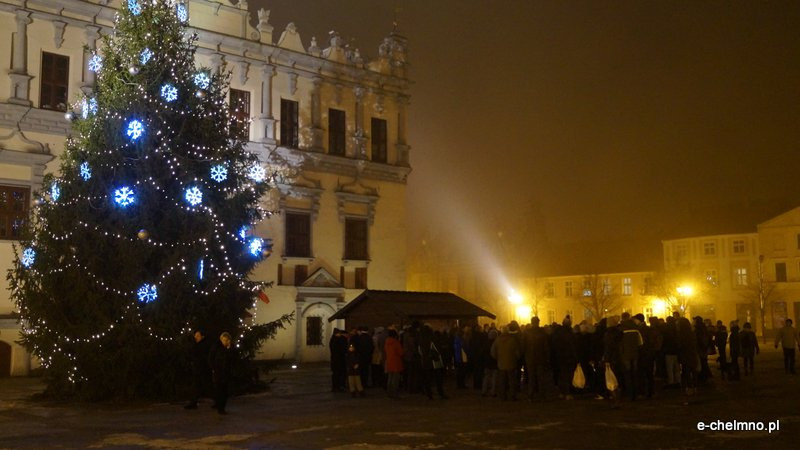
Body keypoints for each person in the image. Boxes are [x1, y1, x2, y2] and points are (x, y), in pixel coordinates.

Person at [491, 322, 522, 401]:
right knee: (512, 381)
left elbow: (493, 352)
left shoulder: (497, 340)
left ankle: (502, 396)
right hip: (511, 363)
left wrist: (498, 358)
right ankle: (512, 396)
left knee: (502, 381)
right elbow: (517, 352)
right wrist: (516, 358)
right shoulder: (512, 340)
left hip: (501, 364)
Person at [523, 317, 550, 401]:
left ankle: (531, 395)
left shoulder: (527, 333)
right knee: (540, 377)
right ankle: (542, 395)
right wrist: (547, 358)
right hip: (540, 358)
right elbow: (546, 348)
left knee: (531, 378)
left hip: (530, 358)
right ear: (538, 322)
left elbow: (523, 347)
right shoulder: (542, 333)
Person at [209, 331, 235, 414]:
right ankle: (220, 408)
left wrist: (229, 348)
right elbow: (211, 358)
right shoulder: (216, 347)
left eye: (227, 340)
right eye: (223, 340)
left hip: (226, 373)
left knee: (224, 391)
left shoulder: (230, 348)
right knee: (219, 390)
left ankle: (221, 406)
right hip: (218, 372)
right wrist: (213, 368)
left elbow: (233, 359)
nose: (225, 342)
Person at [185, 328, 211, 409]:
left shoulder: (203, 346)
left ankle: (219, 400)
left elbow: (203, 357)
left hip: (203, 369)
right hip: (198, 369)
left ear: (202, 337)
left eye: (198, 336)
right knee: (197, 386)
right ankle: (194, 402)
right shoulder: (196, 345)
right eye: (195, 335)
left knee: (208, 386)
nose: (196, 337)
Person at [384, 329, 404, 398]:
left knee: (390, 378)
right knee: (395, 379)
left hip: (389, 361)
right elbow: (401, 352)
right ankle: (394, 394)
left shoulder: (386, 342)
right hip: (396, 362)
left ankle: (389, 393)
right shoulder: (396, 342)